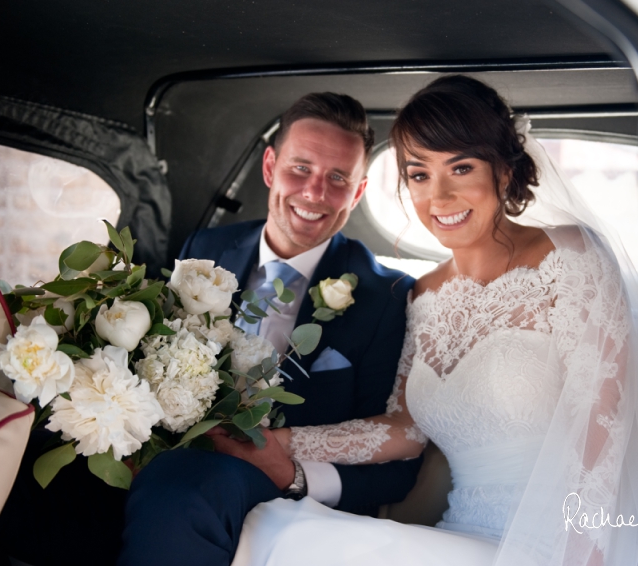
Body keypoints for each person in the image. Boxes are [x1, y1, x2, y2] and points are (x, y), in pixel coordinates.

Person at [226, 75, 638, 566]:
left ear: (505, 171)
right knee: (271, 525)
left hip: (553, 544)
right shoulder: (422, 295)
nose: (440, 197)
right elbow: (406, 430)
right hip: (460, 533)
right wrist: (278, 441)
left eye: (462, 167)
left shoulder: (571, 256)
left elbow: (603, 430)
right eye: (419, 174)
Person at [116, 93, 421, 566]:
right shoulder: (205, 248)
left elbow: (396, 468)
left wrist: (293, 475)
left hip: (268, 486)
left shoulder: (389, 297)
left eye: (338, 178)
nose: (315, 193)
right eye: (301, 168)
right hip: (168, 453)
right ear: (270, 168)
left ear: (358, 192)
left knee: (184, 486)